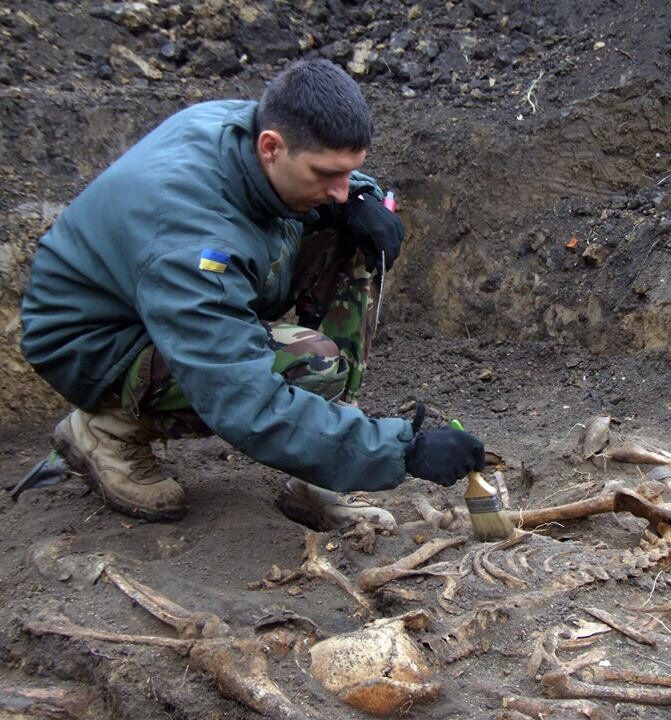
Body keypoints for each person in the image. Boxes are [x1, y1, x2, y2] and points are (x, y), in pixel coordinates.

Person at [19, 59, 485, 522]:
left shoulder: (255, 130)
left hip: (160, 294)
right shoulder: (193, 241)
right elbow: (243, 399)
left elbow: (333, 183)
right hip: (99, 346)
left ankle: (318, 469)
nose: (340, 188)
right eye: (327, 174)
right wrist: (405, 451)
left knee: (355, 231)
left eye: (350, 172)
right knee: (310, 362)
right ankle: (108, 430)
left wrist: (363, 197)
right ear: (270, 148)